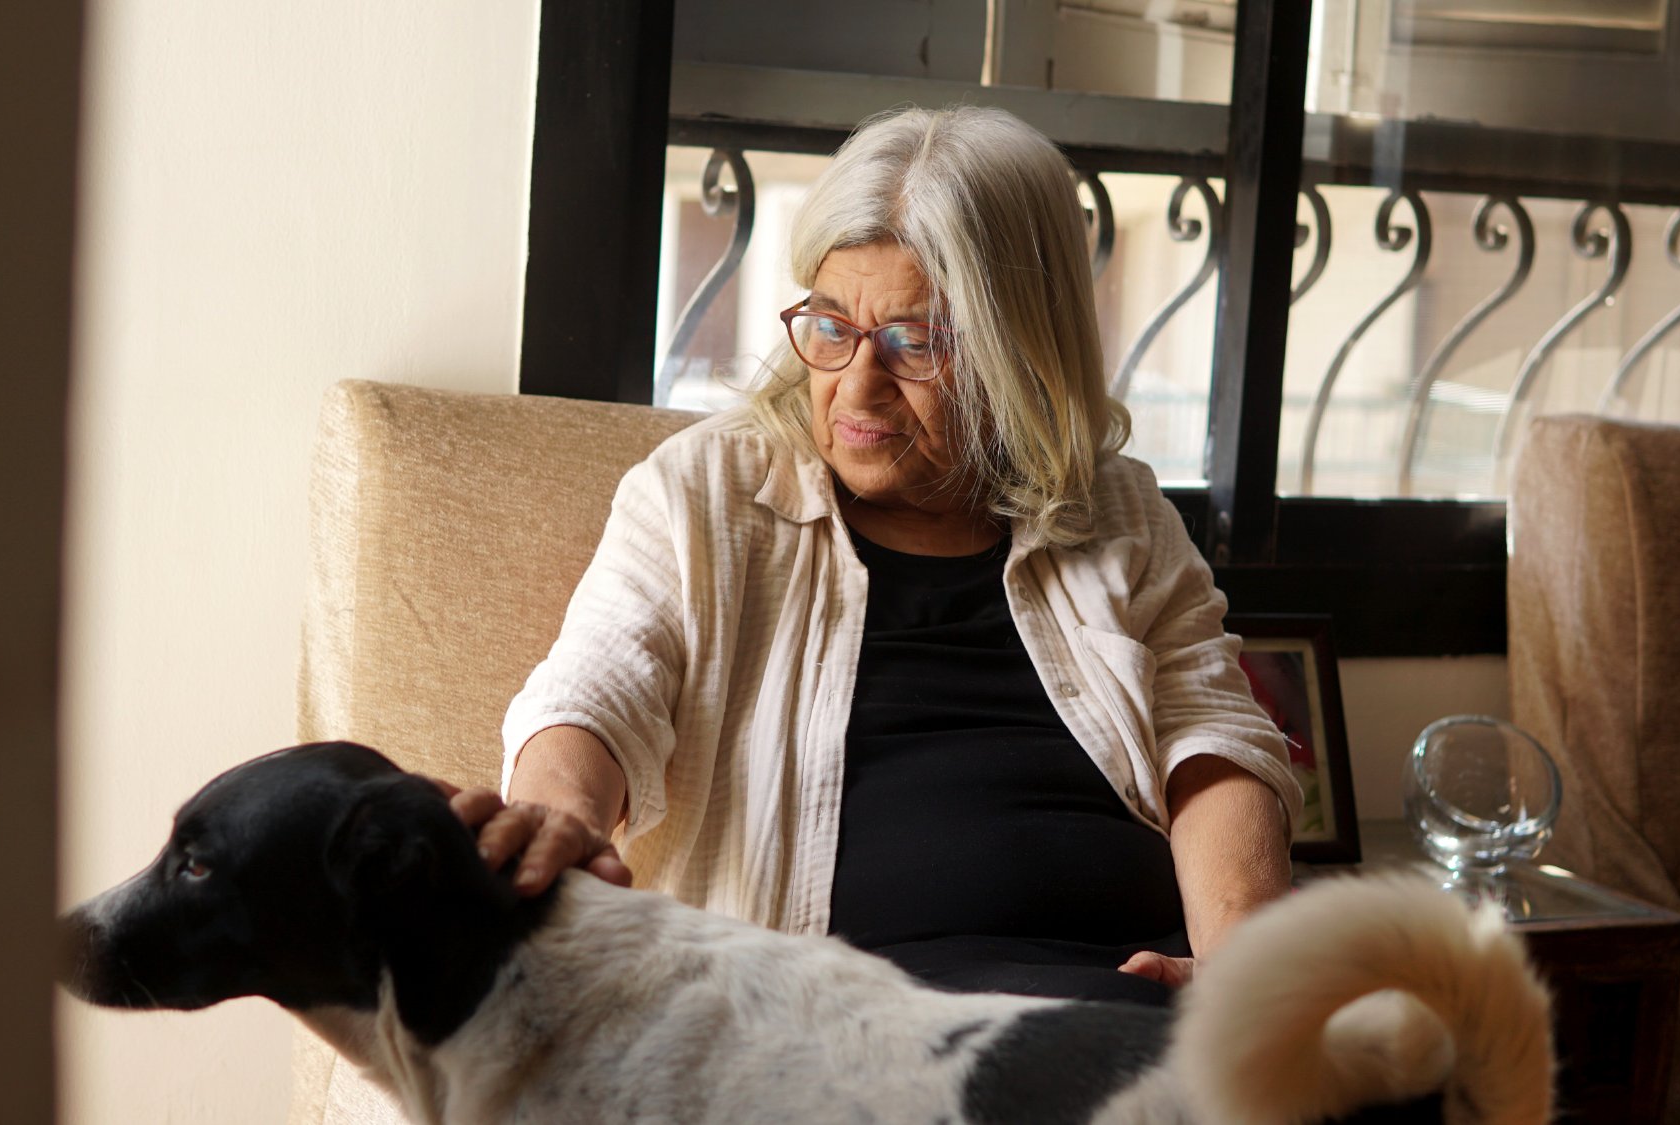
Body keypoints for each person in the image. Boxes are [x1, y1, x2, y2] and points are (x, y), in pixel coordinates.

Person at [453, 105, 1304, 1007]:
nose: (856, 383)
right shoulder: (706, 493)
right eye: (830, 324)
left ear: (1019, 350)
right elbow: (597, 687)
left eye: (915, 340)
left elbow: (1214, 743)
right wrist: (559, 818)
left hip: (1124, 1005)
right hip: (853, 1032)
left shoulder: (1118, 511)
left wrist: (1243, 974)